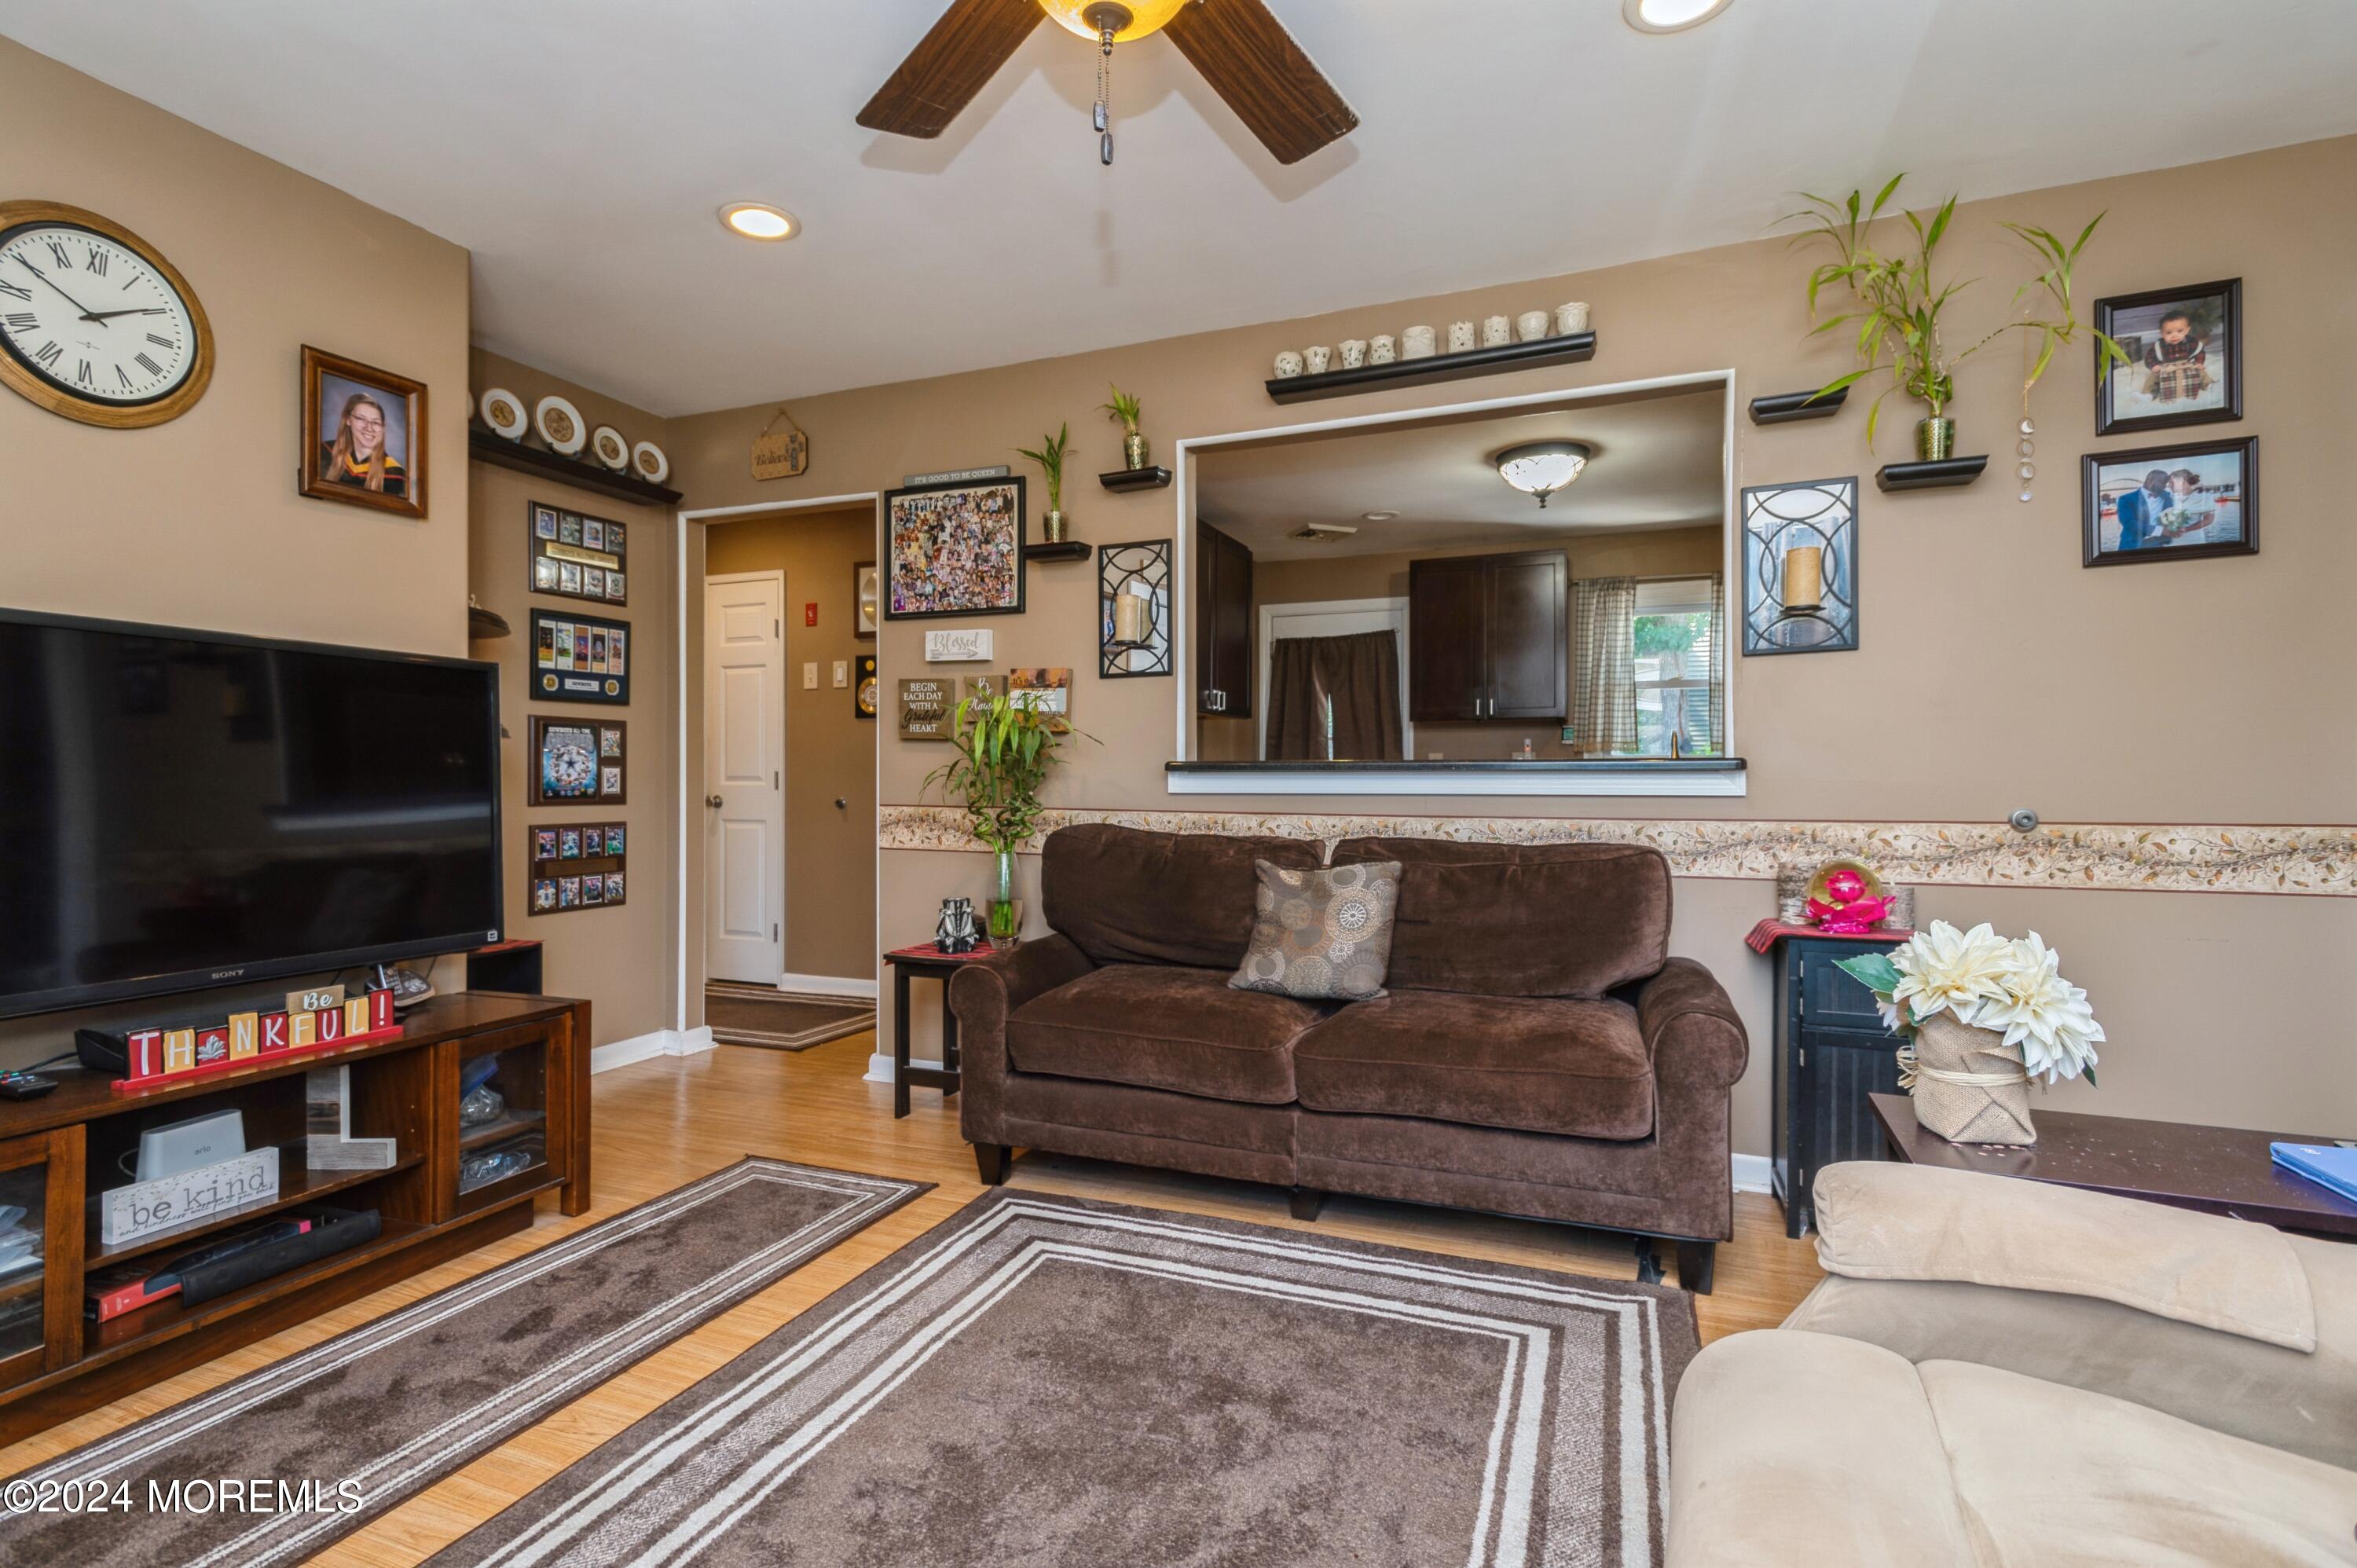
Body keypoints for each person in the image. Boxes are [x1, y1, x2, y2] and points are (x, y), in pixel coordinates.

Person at [321, 389, 407, 496]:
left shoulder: (396, 475)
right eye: (361, 419)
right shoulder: (324, 452)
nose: (369, 428)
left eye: (376, 423)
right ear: (348, 420)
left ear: (383, 428)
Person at [2139, 307, 2212, 405]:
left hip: (2186, 366)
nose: (2174, 336)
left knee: (2202, 374)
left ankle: (2210, 386)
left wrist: (2199, 363)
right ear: (2162, 333)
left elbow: (2200, 351)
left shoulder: (2192, 342)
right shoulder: (2158, 345)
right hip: (2166, 368)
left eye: (2180, 331)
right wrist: (2154, 366)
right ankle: (2148, 395)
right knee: (2152, 379)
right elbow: (2149, 357)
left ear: (2187, 330)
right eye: (2169, 333)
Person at [2113, 469, 2171, 551]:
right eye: (2163, 482)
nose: (2165, 486)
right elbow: (2129, 523)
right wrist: (2161, 530)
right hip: (2132, 546)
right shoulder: (2126, 499)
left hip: (2158, 544)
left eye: (2166, 483)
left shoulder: (2168, 497)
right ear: (2151, 481)